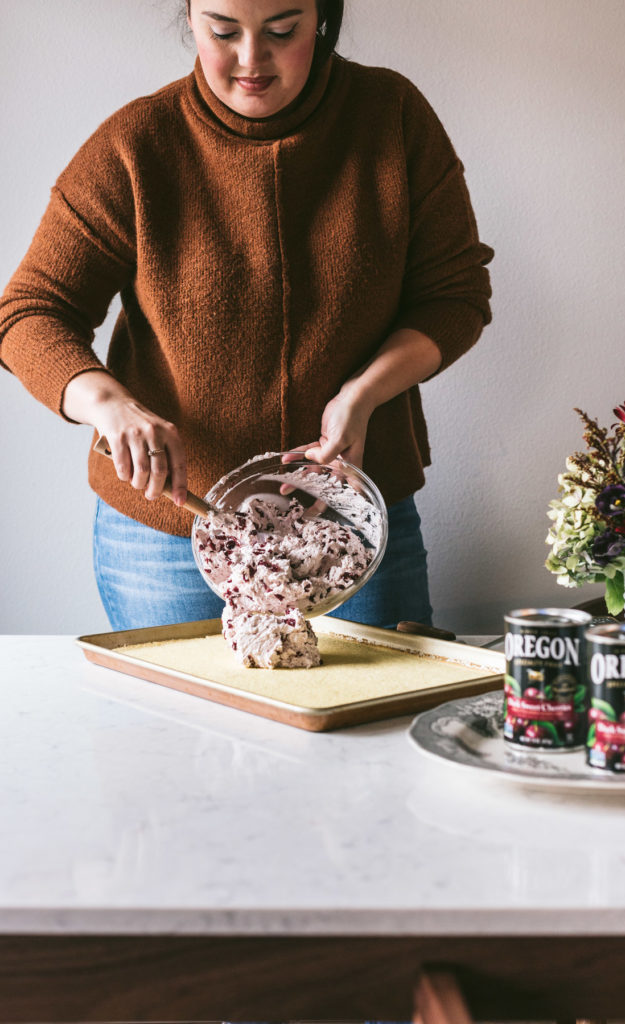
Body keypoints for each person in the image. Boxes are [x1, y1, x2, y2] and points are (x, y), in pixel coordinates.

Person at [0, 0, 493, 632]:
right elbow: (30, 313)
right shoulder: (136, 143)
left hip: (351, 521)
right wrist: (108, 406)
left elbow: (454, 294)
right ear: (189, 15)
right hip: (171, 532)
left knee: (370, 726)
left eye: (282, 31)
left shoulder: (391, 117)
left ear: (323, 17)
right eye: (223, 30)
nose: (251, 60)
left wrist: (364, 396)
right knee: (178, 730)